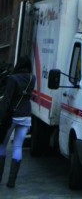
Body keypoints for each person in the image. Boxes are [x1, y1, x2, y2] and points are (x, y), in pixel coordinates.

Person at [0, 55, 35, 188]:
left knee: (2, 145)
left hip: (12, 115)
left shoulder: (12, 78)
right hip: (26, 115)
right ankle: (11, 182)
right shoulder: (32, 78)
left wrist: (1, 116)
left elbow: (7, 99)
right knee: (17, 146)